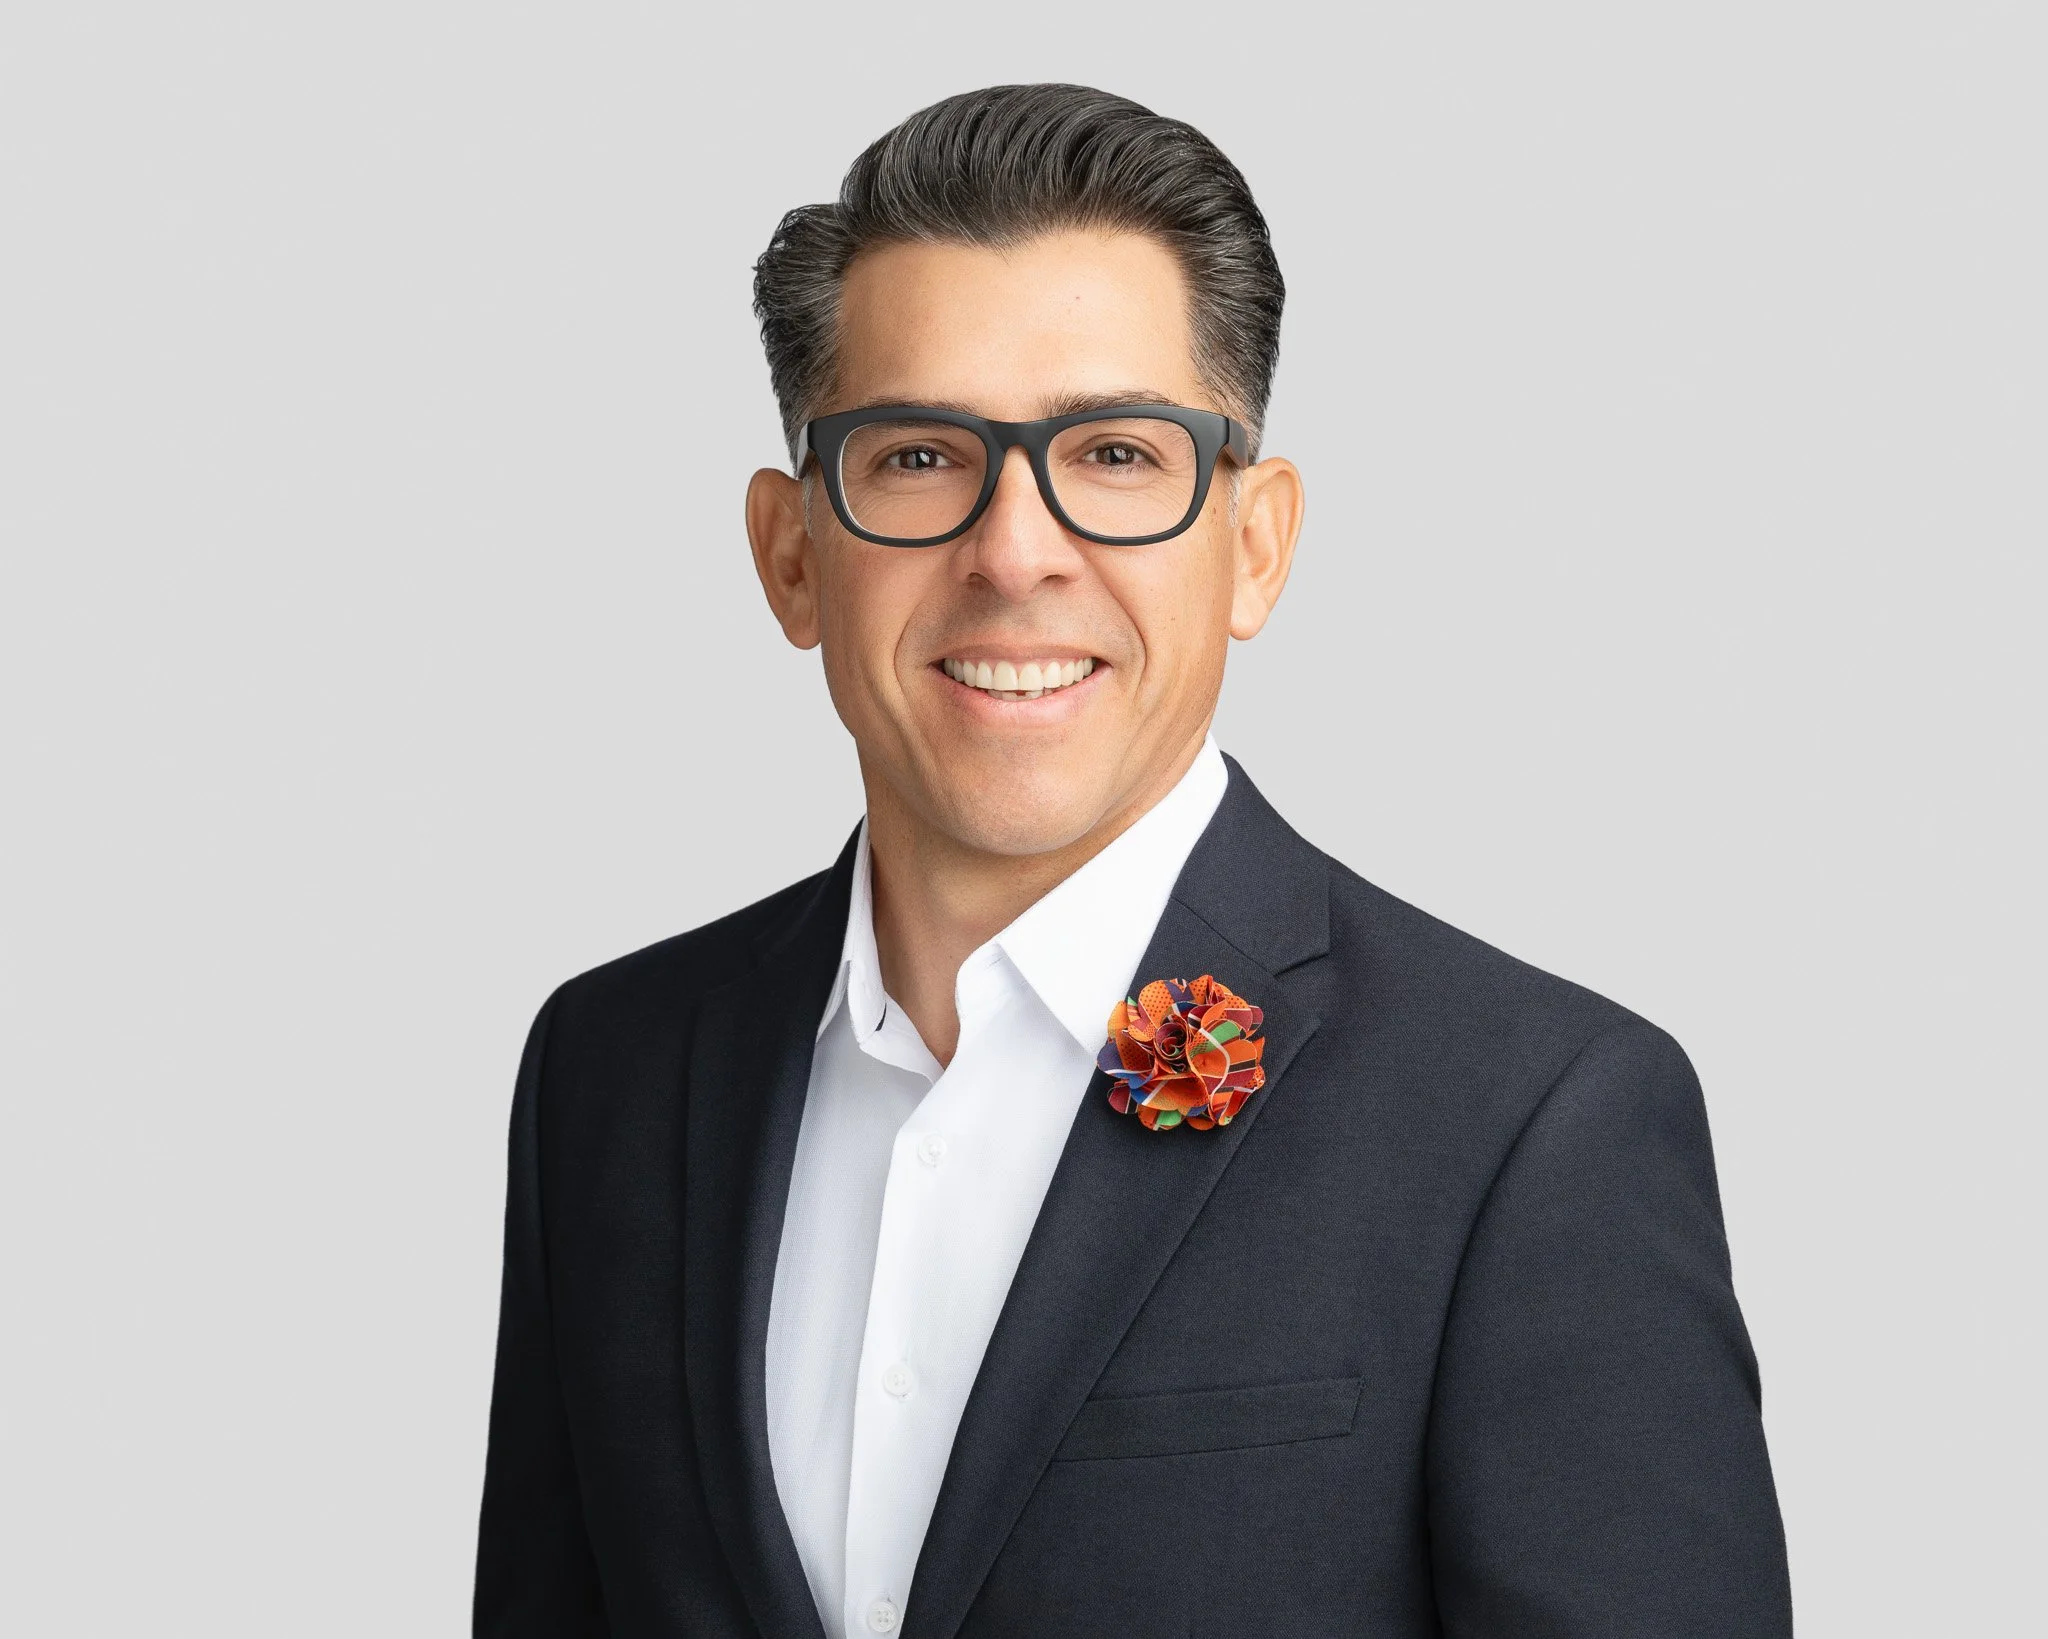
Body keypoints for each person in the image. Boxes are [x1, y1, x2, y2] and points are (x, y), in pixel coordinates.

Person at [473, 83, 1793, 1639]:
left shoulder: (1527, 1117)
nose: (1015, 549)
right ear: (787, 551)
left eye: (1112, 453)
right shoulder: (612, 1071)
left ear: (1255, 544)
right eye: (913, 456)